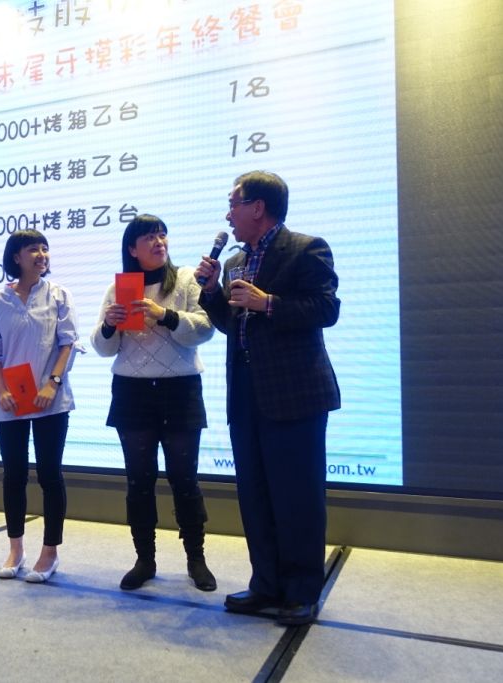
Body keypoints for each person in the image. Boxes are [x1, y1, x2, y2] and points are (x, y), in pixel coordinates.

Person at [195, 171, 340, 626]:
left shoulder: (306, 248)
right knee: (255, 494)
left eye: (233, 204)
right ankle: (266, 584)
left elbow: (327, 309)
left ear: (257, 207)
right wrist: (211, 293)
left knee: (297, 495)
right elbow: (230, 323)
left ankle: (301, 592)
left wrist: (269, 303)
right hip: (246, 393)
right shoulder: (236, 261)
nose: (228, 215)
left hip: (295, 394)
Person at [91, 214, 217, 592]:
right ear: (132, 249)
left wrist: (165, 315)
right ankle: (144, 560)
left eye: (162, 234)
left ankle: (196, 559)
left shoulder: (186, 279)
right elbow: (103, 348)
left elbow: (205, 329)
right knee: (139, 480)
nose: (159, 241)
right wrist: (110, 325)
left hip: (180, 389)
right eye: (149, 237)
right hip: (132, 392)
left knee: (184, 478)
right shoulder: (119, 289)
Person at [0, 229, 78, 583]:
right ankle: (16, 549)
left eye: (44, 249)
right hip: (10, 401)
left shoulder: (59, 295)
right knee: (14, 475)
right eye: (33, 249)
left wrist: (52, 383)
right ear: (16, 257)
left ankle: (50, 552)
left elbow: (68, 343)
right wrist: (1, 391)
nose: (41, 254)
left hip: (51, 399)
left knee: (50, 474)